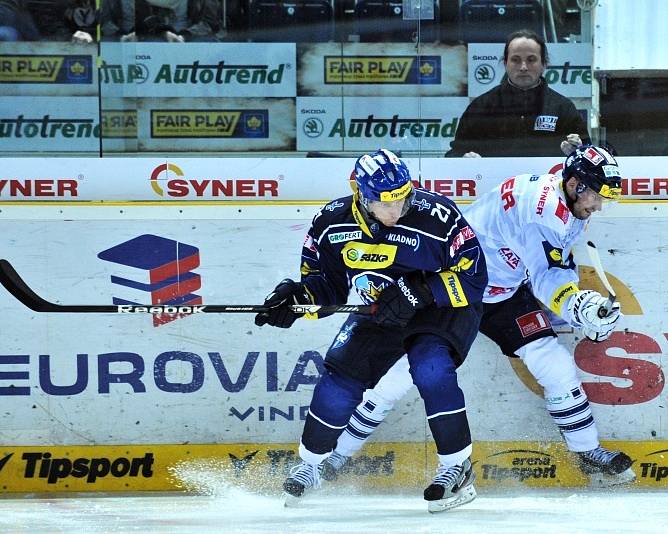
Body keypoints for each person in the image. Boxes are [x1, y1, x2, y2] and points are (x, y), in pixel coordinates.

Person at [321, 145, 635, 488]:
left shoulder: (561, 192)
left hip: (502, 294)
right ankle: (335, 455)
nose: (599, 206)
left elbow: (550, 260)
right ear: (576, 184)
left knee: (553, 362)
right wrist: (579, 307)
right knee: (399, 374)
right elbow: (548, 277)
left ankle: (587, 450)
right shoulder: (542, 212)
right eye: (597, 197)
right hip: (454, 291)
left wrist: (584, 307)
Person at [254, 149, 488, 512]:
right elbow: (326, 287)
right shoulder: (329, 223)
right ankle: (311, 465)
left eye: (404, 198)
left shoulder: (439, 216)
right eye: (386, 203)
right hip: (381, 309)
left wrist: (420, 290)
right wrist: (298, 300)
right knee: (339, 380)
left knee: (430, 366)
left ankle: (456, 466)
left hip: (442, 308)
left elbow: (474, 279)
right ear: (361, 196)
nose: (397, 211)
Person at [446, 29, 589, 158]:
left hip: (548, 186)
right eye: (515, 60)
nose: (523, 67)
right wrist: (464, 158)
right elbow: (454, 154)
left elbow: (589, 154)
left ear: (544, 64)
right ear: (505, 63)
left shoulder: (562, 107)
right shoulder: (481, 106)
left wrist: (578, 151)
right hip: (492, 185)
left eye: (531, 60)